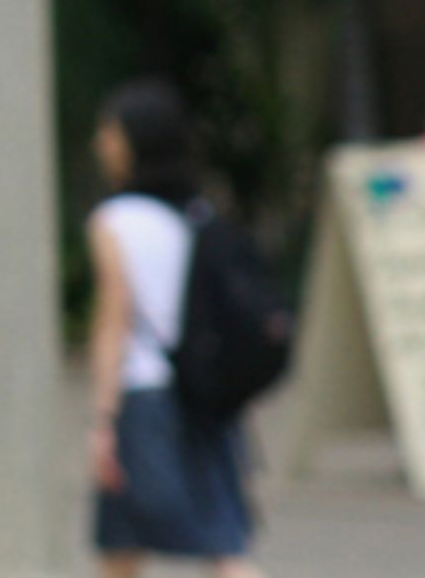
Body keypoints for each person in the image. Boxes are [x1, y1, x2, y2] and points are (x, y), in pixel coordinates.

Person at [87, 81, 259, 578]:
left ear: (134, 143)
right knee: (214, 542)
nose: (102, 144)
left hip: (143, 397)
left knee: (130, 542)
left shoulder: (115, 219)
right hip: (201, 392)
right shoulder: (198, 214)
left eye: (110, 133)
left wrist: (102, 417)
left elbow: (112, 321)